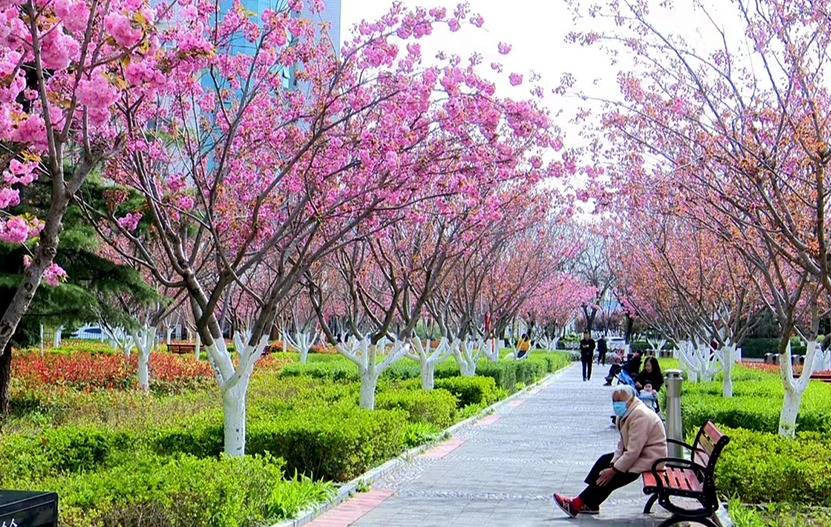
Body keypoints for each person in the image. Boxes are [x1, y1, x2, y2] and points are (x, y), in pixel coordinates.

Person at [552, 385, 667, 517]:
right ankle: (591, 503)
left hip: (650, 459)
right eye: (614, 401)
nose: (617, 405)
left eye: (620, 401)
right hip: (640, 455)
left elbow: (633, 452)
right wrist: (613, 463)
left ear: (631, 400)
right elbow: (622, 443)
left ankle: (576, 504)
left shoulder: (640, 416)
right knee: (604, 461)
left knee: (612, 477)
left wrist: (613, 470)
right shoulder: (627, 413)